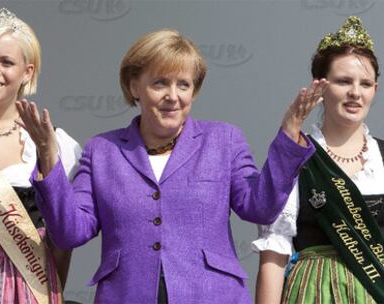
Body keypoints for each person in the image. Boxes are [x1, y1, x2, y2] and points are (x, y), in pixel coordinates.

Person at [17, 28, 325, 304]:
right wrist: (48, 155)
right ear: (134, 86)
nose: (173, 96)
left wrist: (289, 135)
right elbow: (70, 233)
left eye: (184, 84)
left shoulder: (223, 140)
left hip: (213, 295)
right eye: (160, 83)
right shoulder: (102, 150)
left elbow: (259, 208)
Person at [253, 16, 384, 303]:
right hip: (314, 293)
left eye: (365, 83)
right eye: (343, 81)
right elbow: (274, 253)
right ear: (321, 86)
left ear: (375, 89)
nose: (355, 93)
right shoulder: (297, 157)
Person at [0, 8, 81, 304]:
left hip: (27, 285)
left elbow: (63, 238)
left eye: (7, 62)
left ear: (27, 72)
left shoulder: (53, 143)